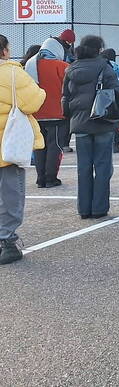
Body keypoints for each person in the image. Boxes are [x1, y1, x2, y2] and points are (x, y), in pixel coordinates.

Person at [62, 35, 119, 220]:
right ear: (98, 49)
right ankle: (99, 208)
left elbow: (65, 96)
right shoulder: (104, 67)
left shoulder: (71, 69)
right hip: (102, 122)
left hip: (80, 124)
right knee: (103, 166)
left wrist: (70, 116)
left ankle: (84, 209)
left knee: (83, 167)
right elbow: (118, 93)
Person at [0, 34, 46, 265]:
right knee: (10, 195)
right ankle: (7, 241)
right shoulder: (12, 72)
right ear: (5, 51)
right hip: (8, 145)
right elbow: (34, 101)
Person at [25, 38, 70, 188]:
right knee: (54, 146)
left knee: (39, 146)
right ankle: (51, 178)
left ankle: (40, 178)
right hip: (57, 113)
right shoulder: (62, 66)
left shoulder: (31, 66)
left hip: (36, 113)